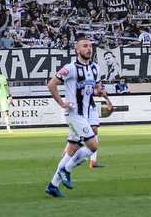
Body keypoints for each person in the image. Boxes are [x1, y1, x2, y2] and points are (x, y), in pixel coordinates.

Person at [45, 37, 109, 197]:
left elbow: (94, 89)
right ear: (77, 50)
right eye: (85, 46)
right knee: (93, 146)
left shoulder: (95, 68)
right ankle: (66, 170)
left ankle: (53, 185)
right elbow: (51, 84)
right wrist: (61, 103)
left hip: (86, 113)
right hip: (74, 114)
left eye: (90, 46)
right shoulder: (71, 68)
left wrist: (99, 92)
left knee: (72, 151)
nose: (89, 49)